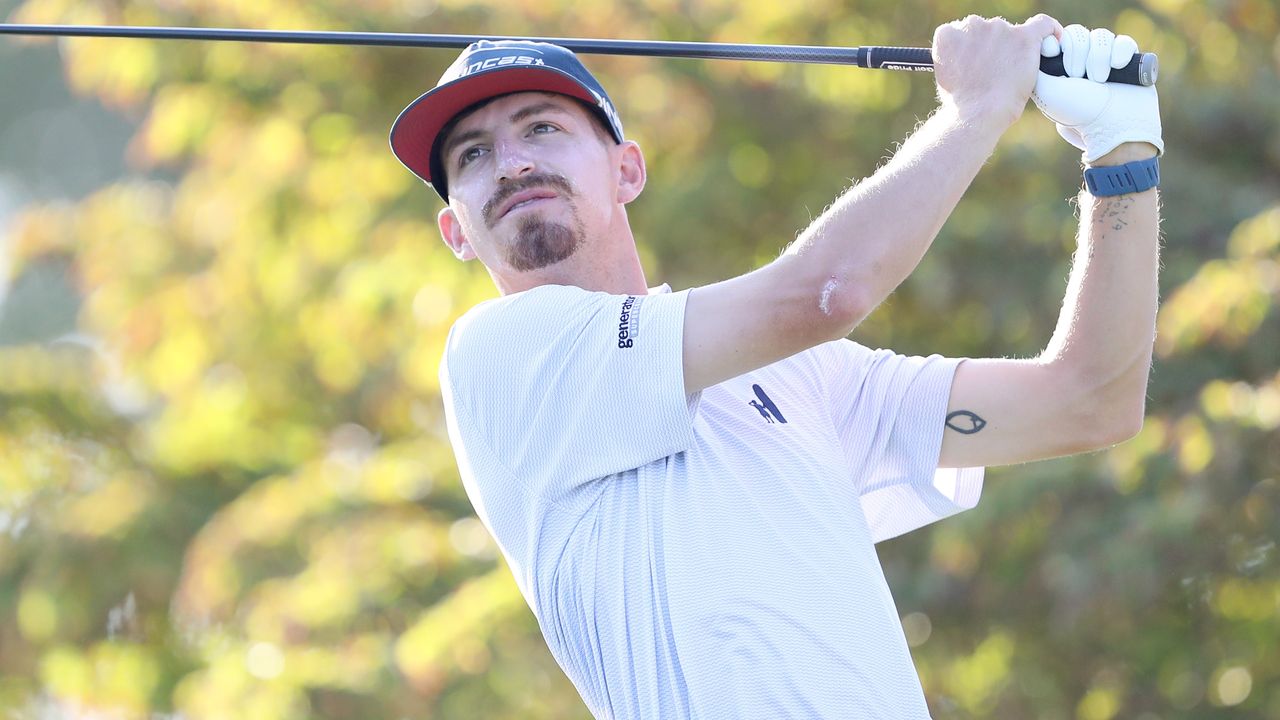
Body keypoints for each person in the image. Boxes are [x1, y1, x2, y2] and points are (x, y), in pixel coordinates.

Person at [389, 14, 1162, 718]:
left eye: (543, 128)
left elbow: (1089, 401)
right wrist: (975, 108)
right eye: (474, 154)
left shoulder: (803, 374)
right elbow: (828, 291)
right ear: (455, 231)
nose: (513, 163)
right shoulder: (500, 352)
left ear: (627, 171)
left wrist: (1121, 154)